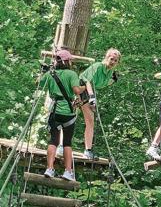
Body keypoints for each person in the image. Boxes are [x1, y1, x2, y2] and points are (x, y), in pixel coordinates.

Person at [39, 50, 85, 181]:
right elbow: (76, 90)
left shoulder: (50, 74)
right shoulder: (71, 74)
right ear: (67, 61)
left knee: (53, 140)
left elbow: (39, 83)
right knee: (67, 142)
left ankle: (49, 168)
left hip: (55, 112)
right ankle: (68, 171)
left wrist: (43, 72)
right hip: (68, 114)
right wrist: (85, 87)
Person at [79, 48, 121, 159]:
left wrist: (112, 81)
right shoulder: (98, 66)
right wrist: (92, 97)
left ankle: (88, 150)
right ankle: (60, 145)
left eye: (115, 60)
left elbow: (101, 84)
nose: (113, 62)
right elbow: (87, 81)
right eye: (112, 59)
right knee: (70, 117)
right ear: (107, 57)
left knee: (90, 121)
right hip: (80, 87)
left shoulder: (110, 72)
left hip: (89, 91)